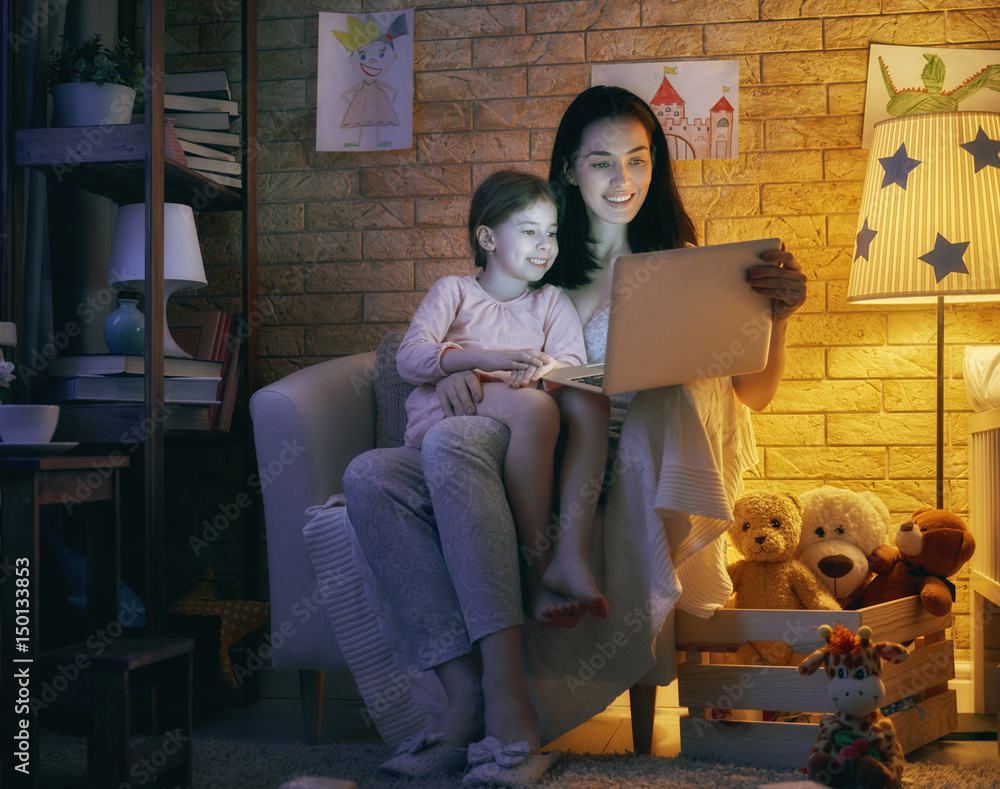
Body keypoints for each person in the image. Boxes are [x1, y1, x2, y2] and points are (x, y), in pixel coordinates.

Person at [342, 85, 807, 784]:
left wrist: (779, 318)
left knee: (454, 444)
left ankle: (510, 715)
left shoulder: (684, 266)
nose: (622, 182)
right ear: (567, 169)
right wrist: (447, 376)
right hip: (510, 434)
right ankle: (466, 697)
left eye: (638, 162)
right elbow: (461, 339)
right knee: (370, 475)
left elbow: (751, 395)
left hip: (609, 454)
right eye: (600, 163)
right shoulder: (538, 264)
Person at [396, 169, 611, 623]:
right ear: (488, 238)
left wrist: (539, 369)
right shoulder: (454, 291)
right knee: (534, 406)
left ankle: (572, 558)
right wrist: (473, 362)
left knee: (590, 399)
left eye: (550, 233)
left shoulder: (551, 301)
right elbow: (410, 358)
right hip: (449, 412)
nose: (545, 245)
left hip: (519, 408)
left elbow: (569, 367)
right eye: (530, 232)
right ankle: (539, 568)